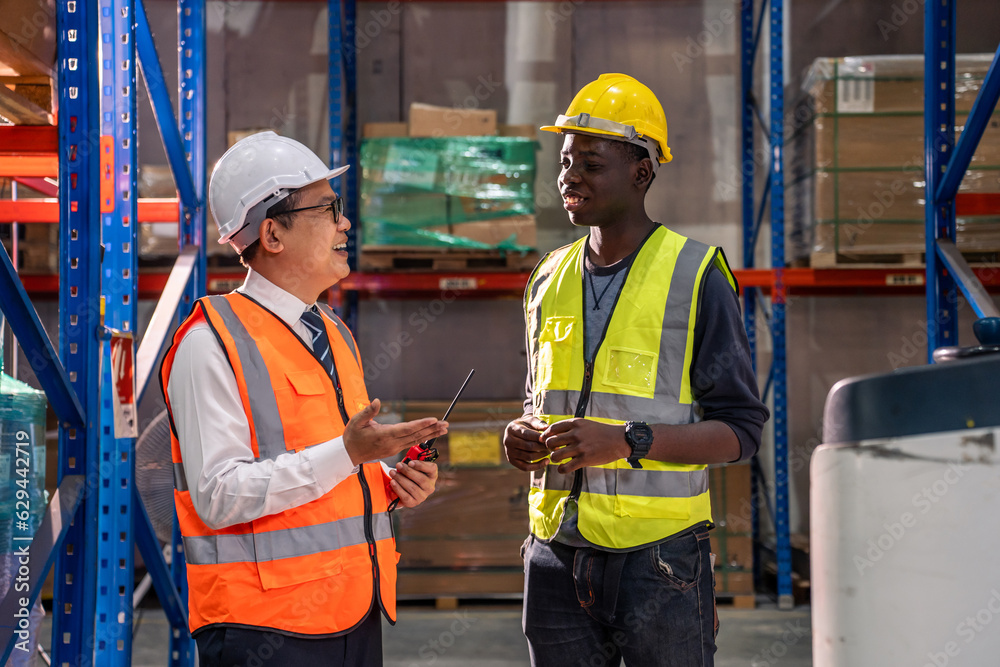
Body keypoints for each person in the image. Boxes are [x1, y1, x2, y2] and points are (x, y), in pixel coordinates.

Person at [503, 74, 769, 667]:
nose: (570, 176)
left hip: (660, 562)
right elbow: (537, 400)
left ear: (641, 172)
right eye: (566, 161)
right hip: (553, 556)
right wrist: (518, 434)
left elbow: (741, 431)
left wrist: (627, 442)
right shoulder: (546, 278)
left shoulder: (696, 275)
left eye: (590, 162)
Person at [161, 131, 448, 666]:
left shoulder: (333, 332)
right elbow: (219, 496)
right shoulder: (210, 344)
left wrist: (388, 483)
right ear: (272, 233)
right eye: (328, 208)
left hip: (354, 613)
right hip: (263, 630)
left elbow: (324, 463)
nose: (344, 223)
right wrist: (350, 454)